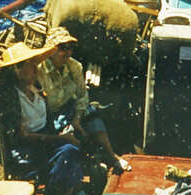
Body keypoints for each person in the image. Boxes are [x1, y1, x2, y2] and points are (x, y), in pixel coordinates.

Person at [0, 41, 85, 195]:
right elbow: (19, 137)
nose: (35, 68)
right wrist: (59, 139)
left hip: (41, 144)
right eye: (30, 65)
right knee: (68, 152)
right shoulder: (9, 97)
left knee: (73, 147)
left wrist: (63, 133)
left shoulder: (36, 88)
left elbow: (46, 122)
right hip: (24, 153)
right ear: (16, 70)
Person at [37, 27, 131, 174]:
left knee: (93, 116)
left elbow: (82, 96)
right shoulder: (39, 71)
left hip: (71, 108)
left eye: (71, 48)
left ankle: (111, 155)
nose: (68, 52)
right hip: (51, 115)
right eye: (63, 48)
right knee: (68, 136)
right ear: (50, 50)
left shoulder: (74, 66)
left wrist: (77, 118)